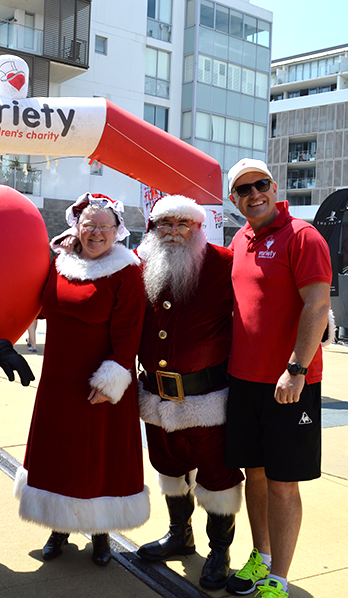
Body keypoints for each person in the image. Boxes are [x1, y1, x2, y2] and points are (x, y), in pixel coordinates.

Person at [14, 193, 148, 567]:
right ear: (77, 226)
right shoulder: (58, 265)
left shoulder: (126, 272)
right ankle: (59, 527)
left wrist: (111, 379)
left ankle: (101, 533)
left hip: (98, 383)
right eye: (89, 224)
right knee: (61, 455)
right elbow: (35, 305)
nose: (96, 232)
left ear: (118, 230)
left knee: (98, 456)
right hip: (58, 382)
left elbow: (130, 333)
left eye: (105, 226)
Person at [224, 159, 331, 598]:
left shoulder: (303, 236)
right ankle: (262, 558)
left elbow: (317, 305)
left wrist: (296, 369)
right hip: (244, 381)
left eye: (261, 184)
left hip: (289, 382)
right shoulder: (240, 238)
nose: (254, 194)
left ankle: (278, 580)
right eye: (243, 189)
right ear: (234, 200)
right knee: (255, 474)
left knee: (284, 482)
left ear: (274, 186)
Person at [134, 195, 244, 590]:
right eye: (165, 224)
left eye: (183, 224)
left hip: (207, 398)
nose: (173, 231)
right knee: (168, 466)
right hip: (155, 396)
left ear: (199, 228)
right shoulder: (140, 264)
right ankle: (179, 535)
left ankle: (219, 552)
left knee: (217, 478)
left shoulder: (224, 262)